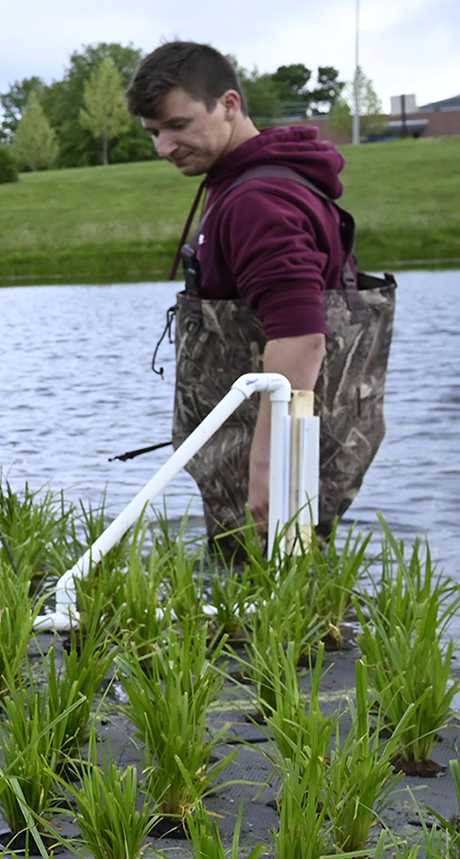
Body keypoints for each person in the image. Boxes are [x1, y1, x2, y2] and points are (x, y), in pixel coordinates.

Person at [128, 41, 394, 558]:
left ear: (228, 104)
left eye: (178, 125)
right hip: (280, 447)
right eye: (154, 132)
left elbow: (302, 337)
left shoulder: (258, 200)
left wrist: (270, 470)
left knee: (265, 610)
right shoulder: (251, 184)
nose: (164, 147)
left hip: (271, 457)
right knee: (283, 606)